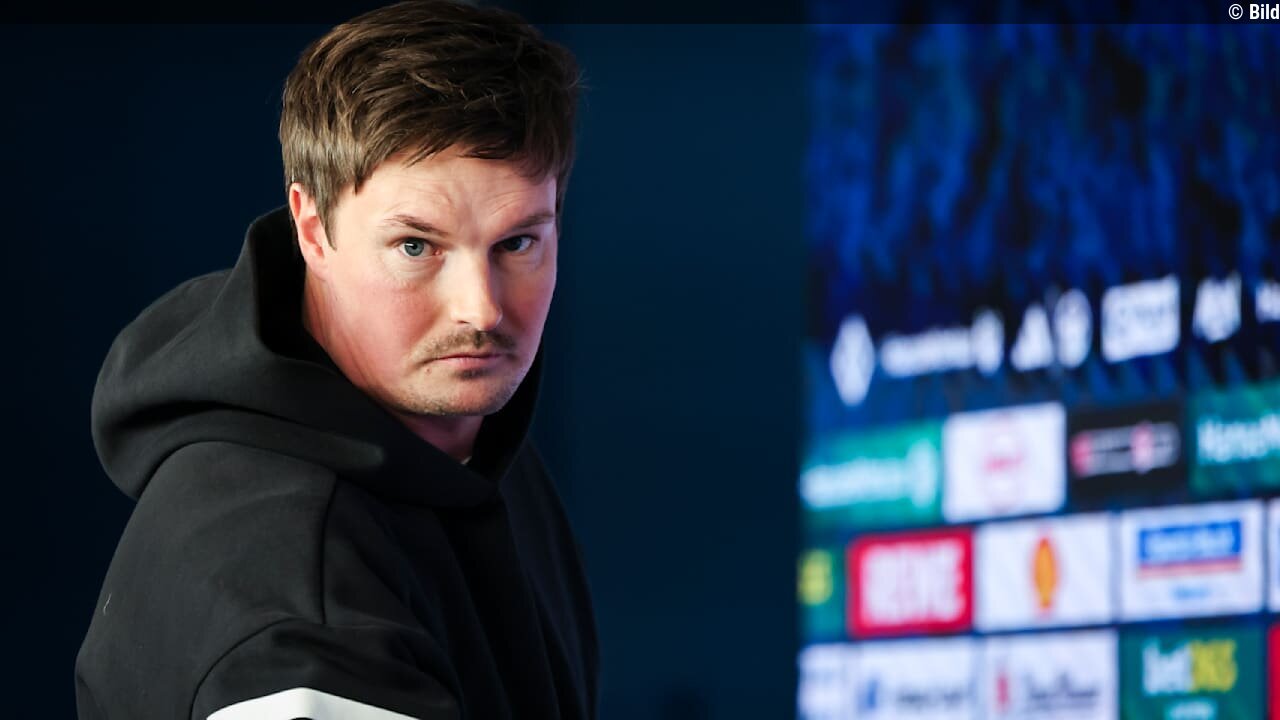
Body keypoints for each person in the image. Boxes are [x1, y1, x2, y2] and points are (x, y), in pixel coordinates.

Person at [75, 3, 598, 718]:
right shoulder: (300, 607)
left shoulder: (472, 437)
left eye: (517, 244)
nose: (480, 311)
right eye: (415, 247)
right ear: (313, 230)